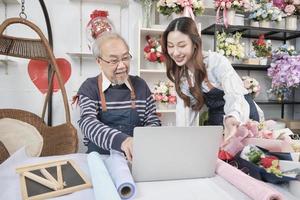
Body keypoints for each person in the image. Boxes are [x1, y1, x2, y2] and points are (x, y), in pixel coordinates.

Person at [161, 17, 264, 140]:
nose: (175, 52)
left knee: (243, 155)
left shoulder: (215, 62)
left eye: (182, 45)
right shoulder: (182, 74)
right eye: (170, 46)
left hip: (241, 113)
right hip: (216, 116)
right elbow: (185, 110)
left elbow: (234, 95)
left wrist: (232, 117)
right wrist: (182, 137)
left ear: (195, 44)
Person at [77, 32, 161, 161]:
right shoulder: (90, 87)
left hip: (136, 160)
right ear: (99, 62)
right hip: (100, 161)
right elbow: (88, 123)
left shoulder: (140, 85)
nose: (122, 66)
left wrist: (141, 144)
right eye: (114, 60)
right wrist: (123, 141)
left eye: (125, 58)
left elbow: (153, 121)